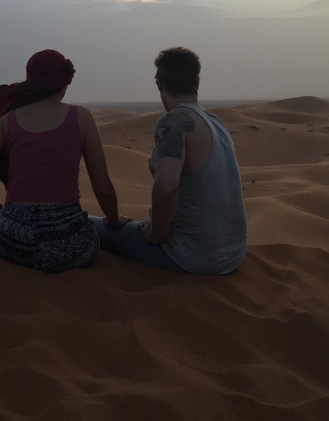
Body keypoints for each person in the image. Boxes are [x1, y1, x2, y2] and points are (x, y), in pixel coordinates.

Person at [0, 49, 122, 274]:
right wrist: (114, 223)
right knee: (90, 233)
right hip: (72, 245)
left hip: (15, 241)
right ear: (64, 82)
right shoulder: (82, 117)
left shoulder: (8, 121)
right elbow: (103, 188)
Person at [90, 47, 247, 274]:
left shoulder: (175, 121)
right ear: (196, 82)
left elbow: (166, 187)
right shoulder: (215, 122)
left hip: (191, 256)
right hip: (231, 255)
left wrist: (155, 235)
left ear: (159, 83)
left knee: (90, 225)